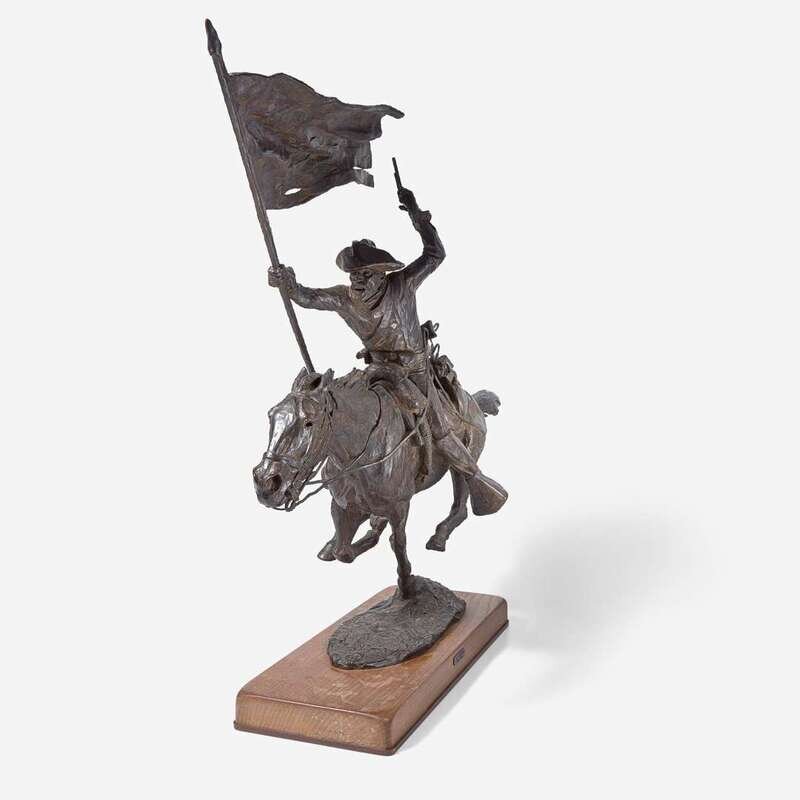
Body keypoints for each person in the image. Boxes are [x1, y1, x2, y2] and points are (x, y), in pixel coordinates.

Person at [268, 184, 507, 515]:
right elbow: (309, 297)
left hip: (415, 370)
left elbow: (435, 254)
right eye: (354, 274)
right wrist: (289, 285)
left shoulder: (403, 283)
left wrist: (417, 216)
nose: (357, 280)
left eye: (364, 274)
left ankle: (474, 476)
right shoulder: (345, 297)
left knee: (437, 423)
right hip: (378, 370)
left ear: (381, 275)